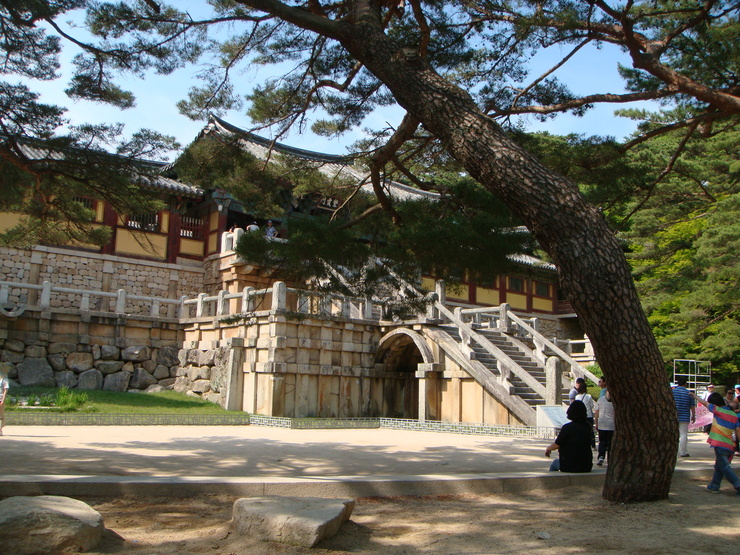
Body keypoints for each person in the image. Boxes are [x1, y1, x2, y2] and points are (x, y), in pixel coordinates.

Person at [690, 391, 740, 495]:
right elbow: (738, 431)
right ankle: (714, 485)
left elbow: (705, 403)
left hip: (719, 443)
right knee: (719, 466)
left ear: (715, 404)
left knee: (725, 467)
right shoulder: (733, 414)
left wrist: (695, 396)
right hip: (730, 445)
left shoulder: (718, 410)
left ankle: (738, 484)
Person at [544, 400, 593, 473]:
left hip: (569, 465)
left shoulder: (567, 427)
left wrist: (548, 448)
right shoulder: (588, 426)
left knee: (554, 464)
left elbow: (557, 445)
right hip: (586, 465)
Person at [672, 376, 695, 457]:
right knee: (683, 434)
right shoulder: (689, 393)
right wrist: (693, 416)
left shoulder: (673, 392)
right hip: (684, 416)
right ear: (686, 384)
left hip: (674, 416)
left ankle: (672, 451)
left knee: (673, 434)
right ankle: (683, 452)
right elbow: (692, 406)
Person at [594, 390, 615, 466]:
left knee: (602, 442)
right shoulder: (614, 401)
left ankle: (601, 457)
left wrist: (596, 423)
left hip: (602, 424)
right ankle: (610, 459)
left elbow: (596, 412)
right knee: (610, 443)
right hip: (612, 425)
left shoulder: (601, 399)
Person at [575, 382, 596, 448]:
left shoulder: (577, 397)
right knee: (590, 430)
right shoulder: (588, 396)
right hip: (588, 415)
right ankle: (593, 444)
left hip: (580, 416)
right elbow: (592, 406)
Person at [0, 369, 9, 436]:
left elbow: (5, 390)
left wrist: (3, 400)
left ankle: (0, 429)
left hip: (0, 398)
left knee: (0, 415)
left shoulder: (4, 379)